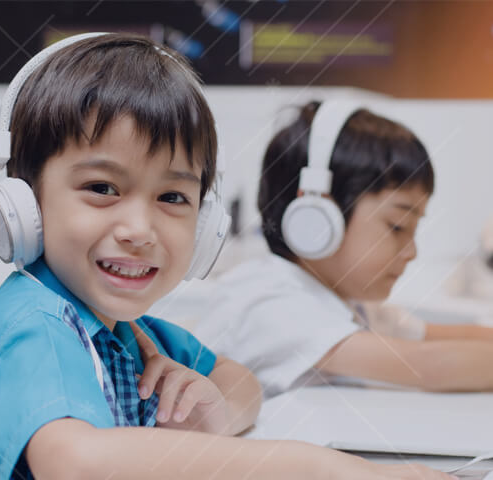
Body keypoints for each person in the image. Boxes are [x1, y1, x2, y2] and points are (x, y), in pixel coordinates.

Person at [0, 36, 462, 480]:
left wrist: (215, 412)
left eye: (173, 198)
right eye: (102, 187)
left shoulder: (135, 335)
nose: (140, 230)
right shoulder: (28, 324)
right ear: (24, 204)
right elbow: (78, 471)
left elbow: (241, 381)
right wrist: (311, 465)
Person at [193, 99, 493, 399]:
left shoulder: (349, 302)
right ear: (317, 220)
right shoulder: (271, 301)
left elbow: (437, 338)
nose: (412, 252)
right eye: (398, 226)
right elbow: (430, 366)